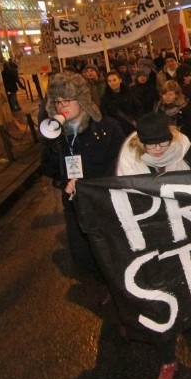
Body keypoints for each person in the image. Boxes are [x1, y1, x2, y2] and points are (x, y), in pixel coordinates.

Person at [114, 112, 191, 379]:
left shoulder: (185, 149)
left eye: (162, 143)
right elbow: (121, 196)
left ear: (172, 136)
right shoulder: (128, 159)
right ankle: (168, 360)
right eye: (150, 145)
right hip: (151, 235)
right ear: (140, 143)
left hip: (187, 226)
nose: (157, 150)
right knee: (160, 294)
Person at [41, 73, 125, 279]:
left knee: (111, 251)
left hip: (103, 199)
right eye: (57, 102)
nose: (62, 107)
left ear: (81, 100)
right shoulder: (57, 133)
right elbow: (49, 169)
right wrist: (52, 148)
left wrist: (96, 186)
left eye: (67, 100)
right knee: (85, 254)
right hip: (75, 201)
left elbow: (120, 162)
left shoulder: (107, 127)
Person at [154, 79, 191, 145]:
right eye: (164, 94)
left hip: (184, 141)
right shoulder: (159, 108)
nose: (167, 97)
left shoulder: (185, 107)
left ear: (177, 95)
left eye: (170, 94)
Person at [100, 70, 143, 136]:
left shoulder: (129, 92)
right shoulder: (105, 98)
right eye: (109, 81)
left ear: (120, 80)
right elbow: (105, 116)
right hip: (117, 131)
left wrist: (136, 120)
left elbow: (138, 107)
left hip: (132, 127)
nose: (112, 83)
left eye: (114, 80)